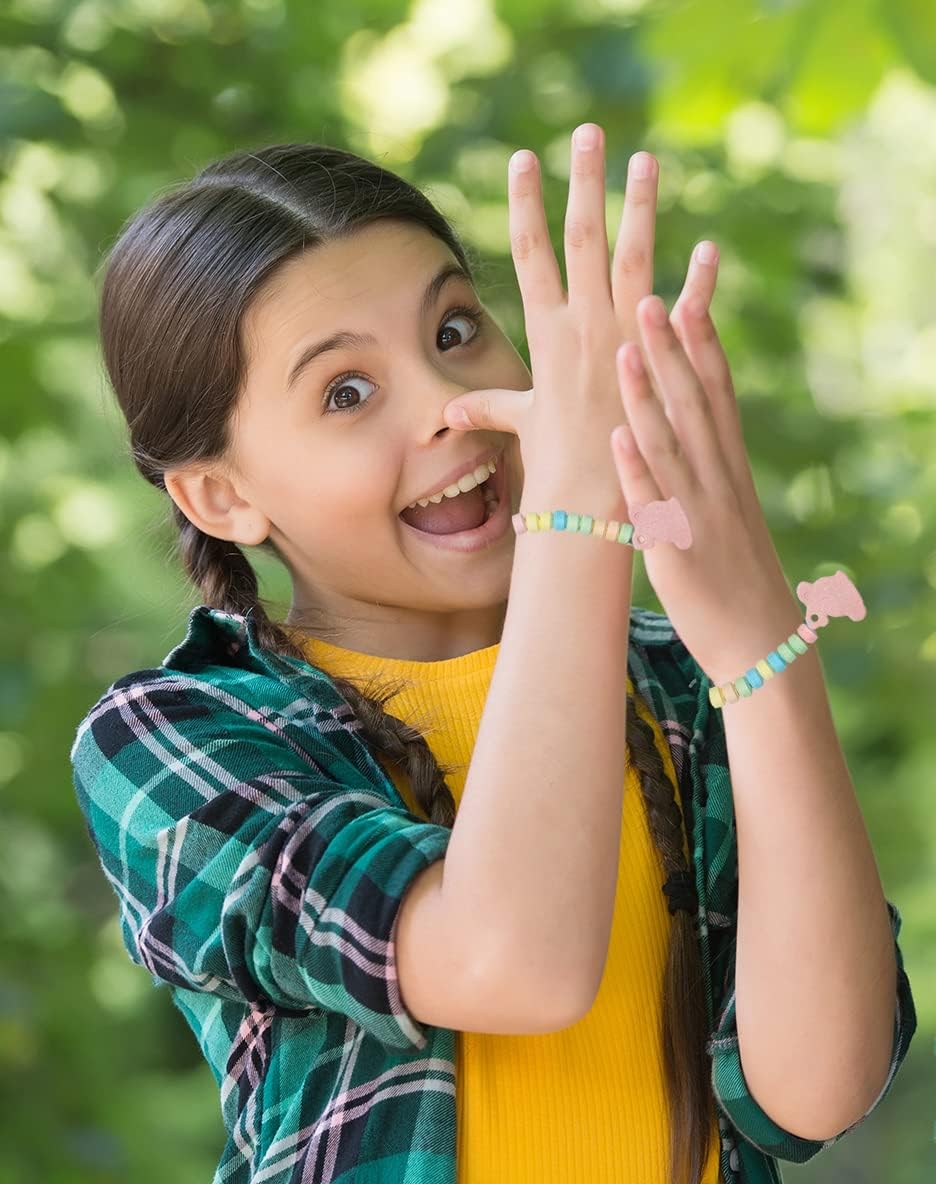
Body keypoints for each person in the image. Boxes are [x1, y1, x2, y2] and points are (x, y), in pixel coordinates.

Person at [70, 128, 916, 1184]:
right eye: (345, 391)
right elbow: (507, 958)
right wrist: (579, 515)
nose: (446, 405)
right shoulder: (174, 736)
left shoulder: (686, 687)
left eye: (457, 328)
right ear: (223, 495)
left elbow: (816, 1089)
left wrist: (758, 651)